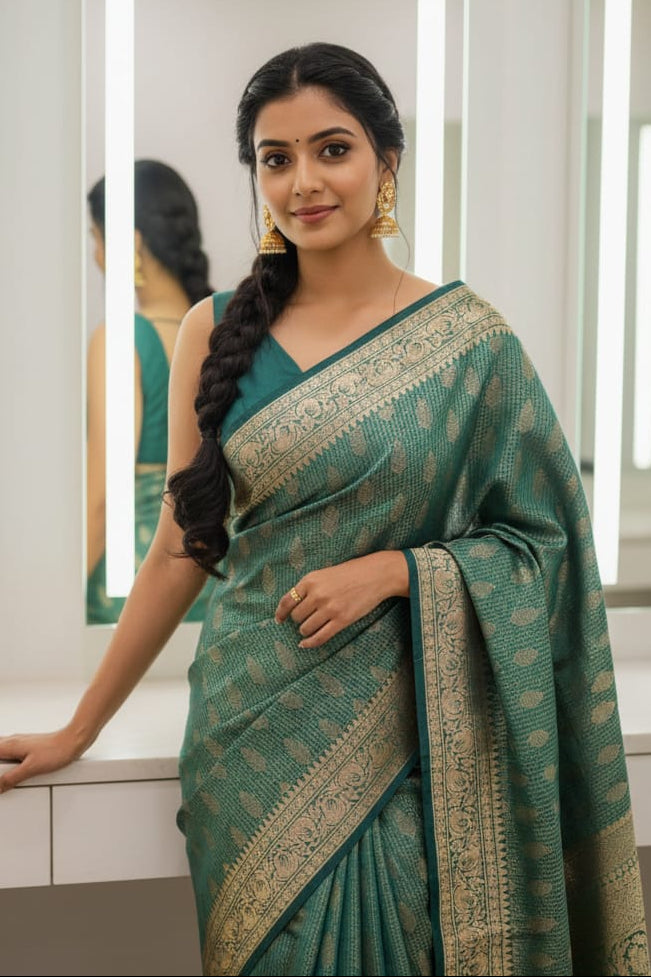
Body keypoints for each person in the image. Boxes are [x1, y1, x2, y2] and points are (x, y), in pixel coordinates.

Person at [0, 42, 648, 977]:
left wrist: (398, 570)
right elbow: (180, 551)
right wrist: (80, 727)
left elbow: (545, 542)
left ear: (386, 160)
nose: (303, 180)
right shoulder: (210, 330)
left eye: (331, 149)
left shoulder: (468, 346)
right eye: (275, 157)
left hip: (407, 742)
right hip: (248, 736)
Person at [86, 159, 216, 623]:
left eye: (96, 239)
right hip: (215, 587)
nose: (96, 257)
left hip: (134, 594)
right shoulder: (228, 334)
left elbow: (103, 497)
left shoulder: (123, 340)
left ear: (132, 244)